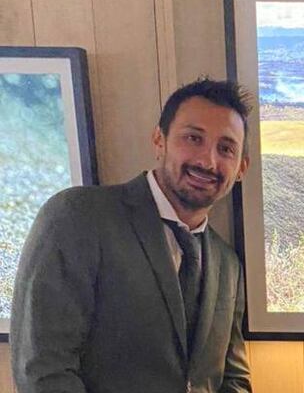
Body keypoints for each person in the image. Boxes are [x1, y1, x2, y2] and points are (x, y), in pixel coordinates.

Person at [10, 79, 253, 393]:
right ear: (159, 140)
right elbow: (42, 369)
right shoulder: (79, 217)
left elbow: (233, 379)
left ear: (242, 167)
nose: (208, 161)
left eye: (226, 148)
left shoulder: (227, 264)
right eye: (193, 138)